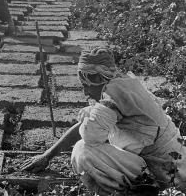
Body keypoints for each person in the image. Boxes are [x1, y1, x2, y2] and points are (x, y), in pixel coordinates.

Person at [21, 48, 186, 196]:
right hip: (176, 163)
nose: (85, 91)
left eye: (86, 85)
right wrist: (47, 155)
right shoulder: (124, 82)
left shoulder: (112, 96)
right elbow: (91, 124)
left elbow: (90, 136)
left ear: (98, 78)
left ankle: (134, 192)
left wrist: (91, 114)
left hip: (166, 173)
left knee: (82, 152)